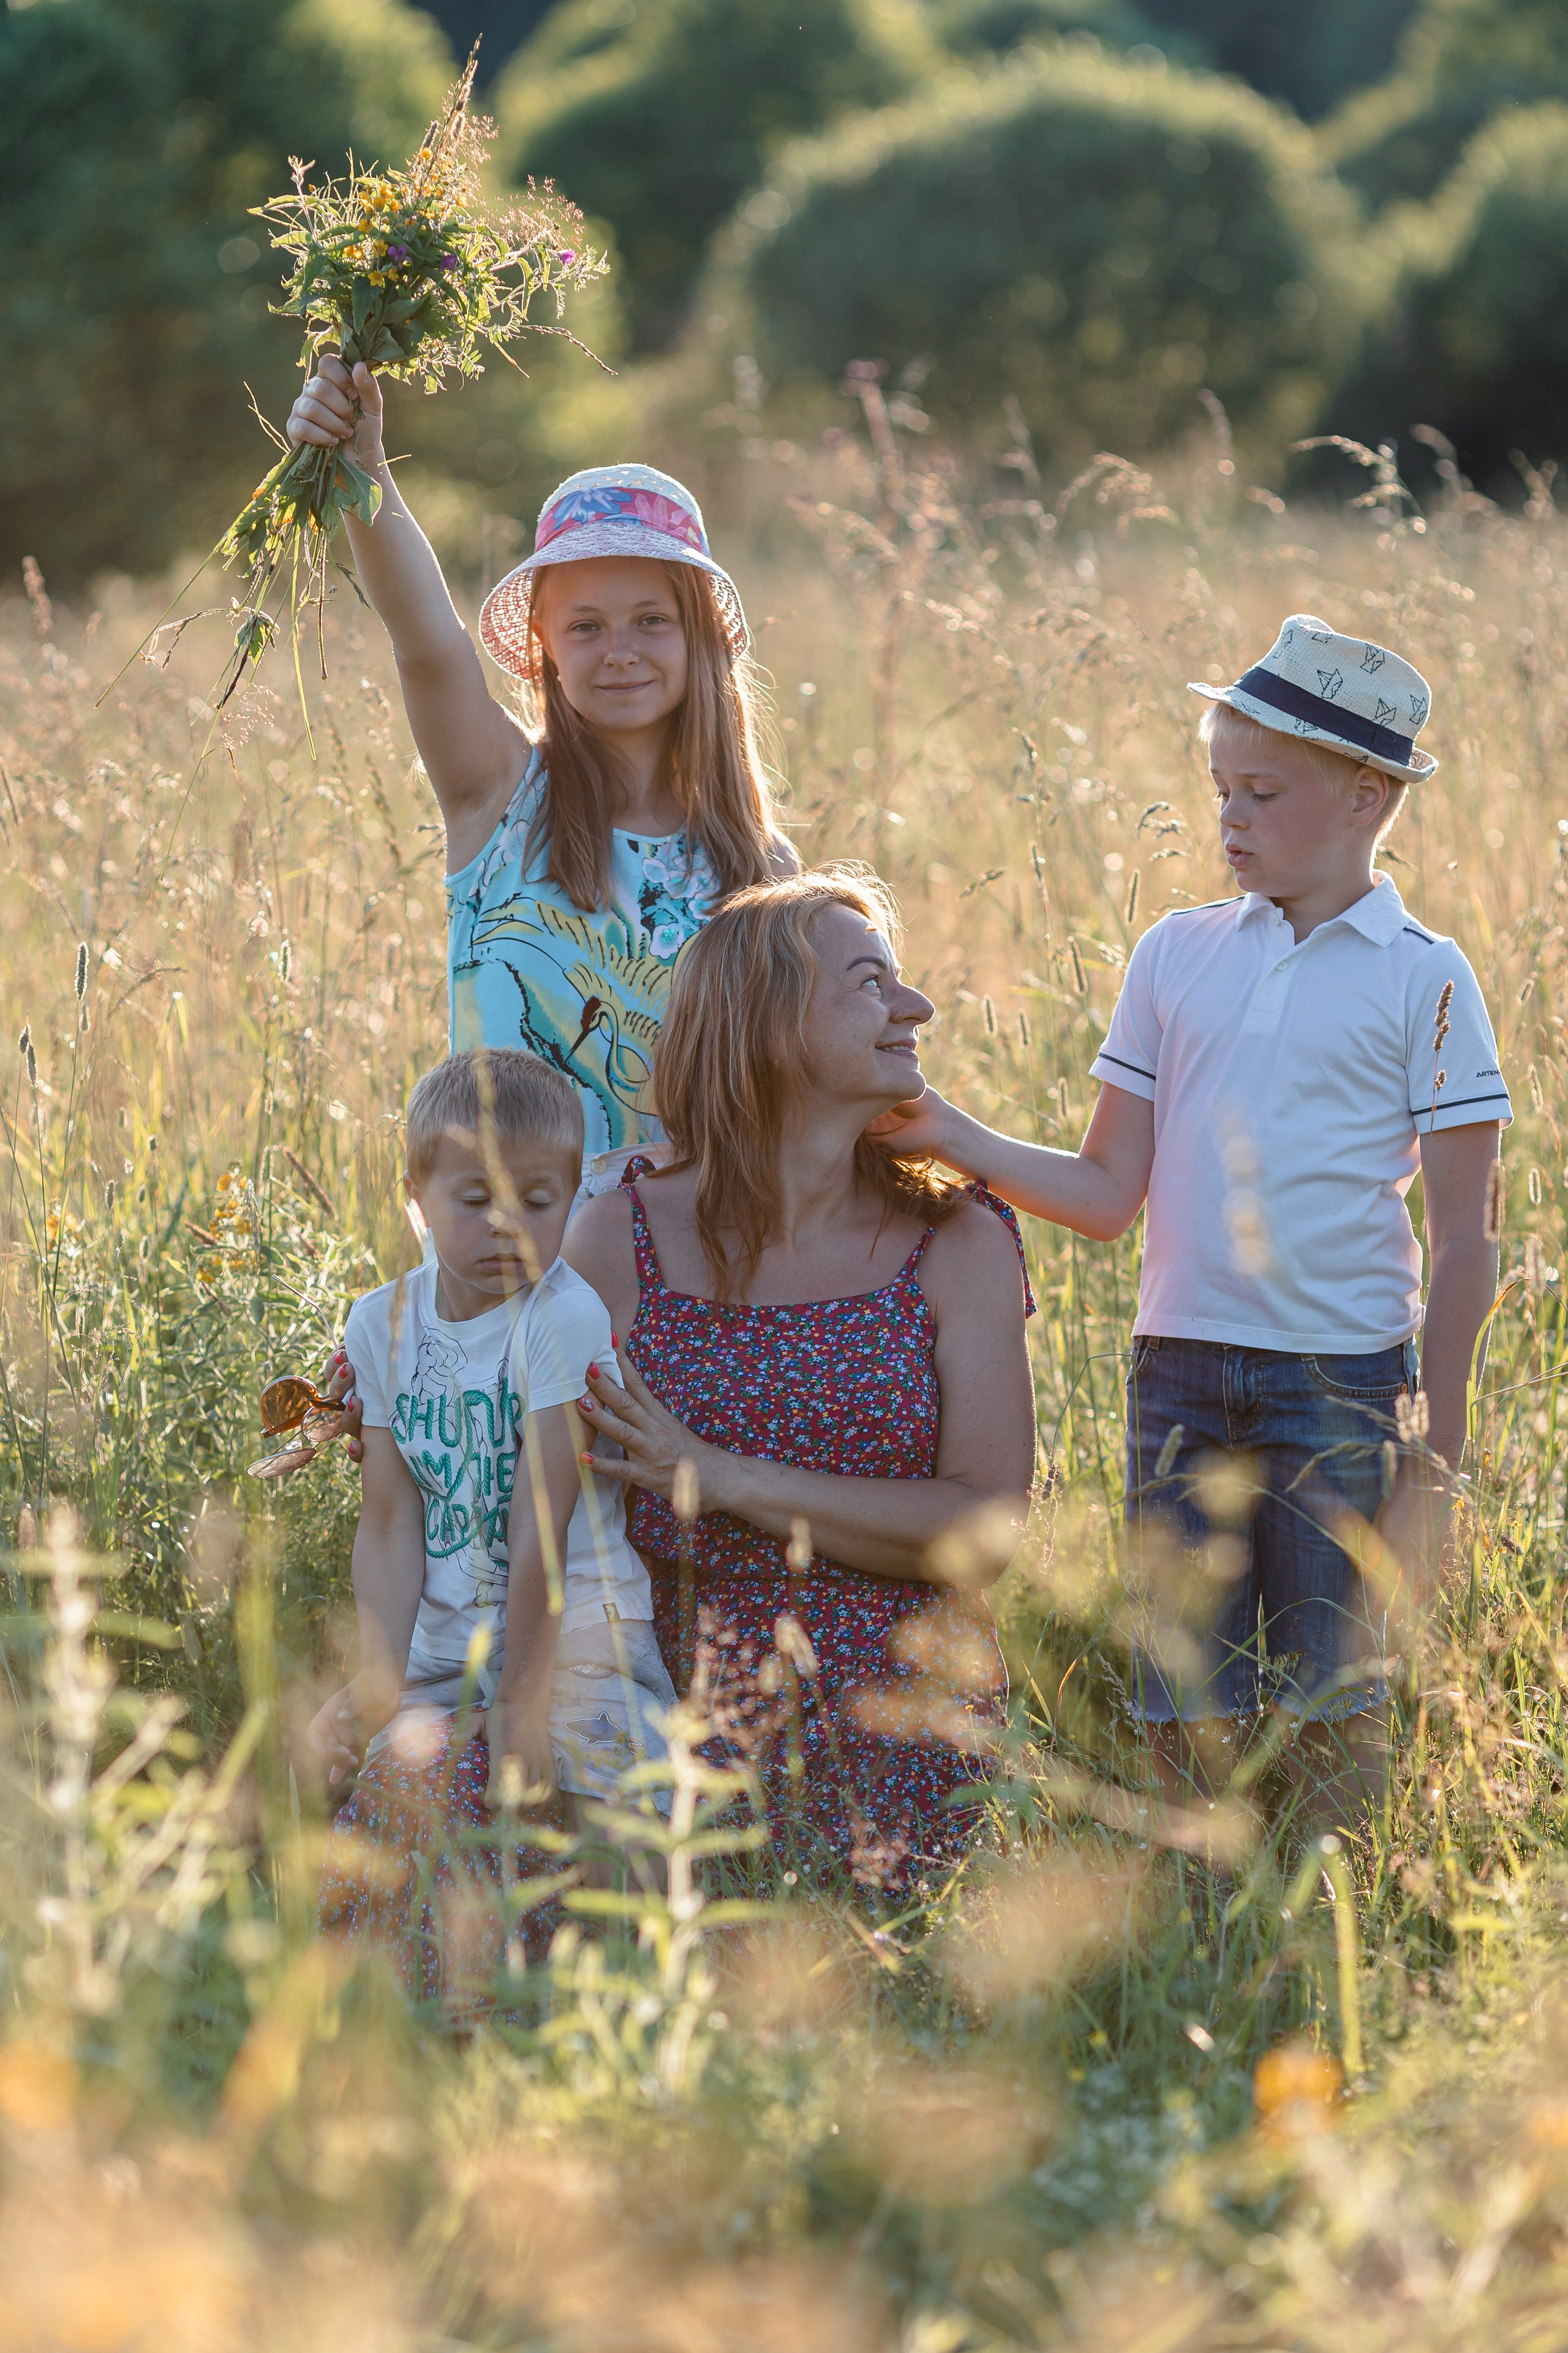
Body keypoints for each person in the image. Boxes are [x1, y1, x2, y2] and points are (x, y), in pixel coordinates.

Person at [875, 616, 1509, 1836]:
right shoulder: (1175, 953)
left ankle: (1324, 1921)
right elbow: (1110, 1194)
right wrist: (953, 1132)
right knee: (1181, 1690)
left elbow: (1466, 1230)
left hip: (1340, 1383)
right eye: (1219, 789)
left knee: (1330, 1686)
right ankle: (1196, 1922)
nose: (1229, 818)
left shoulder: (1423, 976)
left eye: (1261, 793)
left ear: (1366, 796)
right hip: (1174, 1377)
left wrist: (1439, 1429)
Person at [564, 868, 1038, 1897]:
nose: (915, 1007)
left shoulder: (959, 1239)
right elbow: (537, 1478)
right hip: (657, 1684)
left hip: (895, 1700)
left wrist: (720, 1475)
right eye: (872, 983)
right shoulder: (619, 1232)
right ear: (772, 1026)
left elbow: (987, 1527)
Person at [284, 360, 797, 1183]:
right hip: (513, 1269)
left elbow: (791, 1108)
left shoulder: (761, 869)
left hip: (696, 1278)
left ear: (701, 639)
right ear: (544, 646)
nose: (620, 649)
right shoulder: (502, 796)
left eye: (652, 620)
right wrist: (362, 465)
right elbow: (427, 644)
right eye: (586, 625)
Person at [309, 1048, 675, 2002]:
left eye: (541, 1200)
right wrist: (383, 1671)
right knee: (346, 1775)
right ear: (417, 1199)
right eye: (477, 1197)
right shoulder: (381, 1324)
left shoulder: (562, 1317)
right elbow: (390, 1519)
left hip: (580, 1630)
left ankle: (632, 1998)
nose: (510, 1225)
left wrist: (519, 1710)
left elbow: (544, 1532)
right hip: (445, 1639)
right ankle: (368, 1999)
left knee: (606, 1808)